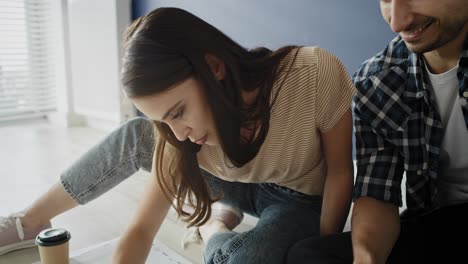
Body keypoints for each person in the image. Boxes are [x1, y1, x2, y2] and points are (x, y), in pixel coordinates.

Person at [0, 7, 356, 264]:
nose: (178, 134)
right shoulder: (181, 139)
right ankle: (27, 222)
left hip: (297, 197)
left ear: (213, 67)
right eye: (164, 122)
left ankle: (215, 224)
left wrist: (320, 250)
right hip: (228, 179)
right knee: (139, 136)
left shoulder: (313, 75)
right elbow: (141, 231)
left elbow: (341, 172)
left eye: (177, 112)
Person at [287, 0, 468, 263]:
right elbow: (377, 193)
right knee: (309, 255)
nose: (396, 22)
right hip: (438, 222)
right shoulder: (377, 81)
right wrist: (367, 258)